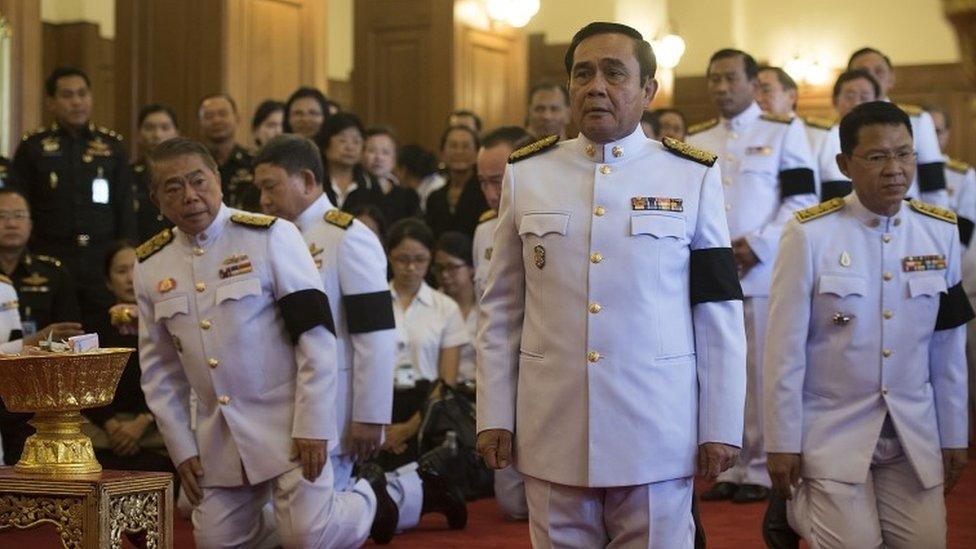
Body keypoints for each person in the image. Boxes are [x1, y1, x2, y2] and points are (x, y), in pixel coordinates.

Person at [477, 22, 747, 547]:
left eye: (614, 73)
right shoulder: (528, 173)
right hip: (553, 425)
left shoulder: (690, 175)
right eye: (583, 74)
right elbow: (501, 308)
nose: (596, 86)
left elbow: (718, 309)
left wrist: (720, 423)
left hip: (656, 428)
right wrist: (493, 414)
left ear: (648, 90)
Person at [136, 137, 392, 547]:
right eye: (173, 188)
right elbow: (160, 370)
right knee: (216, 543)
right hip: (220, 438)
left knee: (307, 539)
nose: (190, 196)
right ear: (156, 200)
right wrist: (182, 449)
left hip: (289, 424)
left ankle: (369, 496)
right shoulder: (150, 265)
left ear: (217, 180)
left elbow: (316, 337)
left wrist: (314, 425)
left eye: (198, 181)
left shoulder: (270, 236)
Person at [764, 101, 971, 549]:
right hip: (832, 434)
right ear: (845, 164)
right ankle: (799, 506)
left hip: (911, 438)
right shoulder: (809, 234)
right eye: (877, 157)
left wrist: (955, 435)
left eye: (905, 154)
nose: (895, 169)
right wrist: (782, 443)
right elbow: (783, 351)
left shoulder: (940, 232)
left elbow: (948, 349)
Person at [253, 134, 465, 540]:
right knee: (275, 528)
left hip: (337, 404)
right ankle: (415, 490)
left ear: (307, 180)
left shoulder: (346, 236)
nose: (262, 199)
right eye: (259, 188)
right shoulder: (272, 237)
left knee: (307, 535)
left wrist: (370, 414)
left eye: (270, 186)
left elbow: (376, 333)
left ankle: (389, 491)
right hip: (285, 401)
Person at [686, 48, 817, 505]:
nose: (720, 88)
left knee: (760, 370)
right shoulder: (698, 139)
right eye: (713, 80)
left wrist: (758, 243)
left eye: (729, 79)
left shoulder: (783, 130)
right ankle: (730, 464)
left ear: (751, 82)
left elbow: (803, 200)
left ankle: (760, 469)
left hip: (761, 271)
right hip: (712, 270)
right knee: (718, 368)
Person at [11, 66, 136, 322]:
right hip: (51, 256)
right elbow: (22, 204)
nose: (77, 102)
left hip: (100, 259)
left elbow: (124, 206)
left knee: (103, 333)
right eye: (67, 95)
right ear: (51, 103)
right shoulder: (33, 146)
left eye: (82, 94)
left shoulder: (111, 147)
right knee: (58, 334)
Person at [81, 241, 175, 475]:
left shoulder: (169, 323)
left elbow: (175, 377)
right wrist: (112, 427)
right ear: (107, 281)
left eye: (136, 269)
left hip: (156, 426)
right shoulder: (91, 328)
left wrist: (142, 422)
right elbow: (84, 382)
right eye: (122, 271)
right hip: (102, 430)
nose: (130, 278)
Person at [848, 47, 948, 206]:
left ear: (891, 79)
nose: (872, 77)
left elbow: (933, 185)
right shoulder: (837, 126)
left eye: (879, 71)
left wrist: (935, 228)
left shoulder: (918, 120)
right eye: (863, 72)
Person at [472, 126, 532, 298]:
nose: (490, 195)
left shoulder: (549, 229)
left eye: (498, 181)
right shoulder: (483, 231)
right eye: (483, 182)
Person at [816, 70, 882, 201]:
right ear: (835, 100)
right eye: (849, 97)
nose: (856, 103)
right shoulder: (820, 138)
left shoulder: (887, 140)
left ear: (876, 101)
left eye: (864, 97)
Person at [197, 93, 258, 211]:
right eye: (209, 116)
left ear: (237, 118)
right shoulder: (195, 165)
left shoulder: (254, 162)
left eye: (223, 114)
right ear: (200, 122)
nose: (216, 120)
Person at [425, 126, 488, 239]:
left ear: (477, 153)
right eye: (453, 146)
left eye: (465, 146)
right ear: (442, 153)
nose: (459, 151)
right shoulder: (435, 198)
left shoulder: (486, 193)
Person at [756, 66, 833, 156]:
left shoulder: (819, 135)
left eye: (766, 90)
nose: (757, 99)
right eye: (754, 91)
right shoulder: (747, 133)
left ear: (792, 96)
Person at [928, 105, 976, 247]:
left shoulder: (963, 176)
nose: (930, 137)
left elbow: (965, 231)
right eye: (924, 132)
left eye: (937, 131)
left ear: (947, 134)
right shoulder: (899, 172)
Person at [132, 104, 179, 242]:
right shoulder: (128, 175)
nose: (157, 134)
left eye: (165, 128)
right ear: (139, 135)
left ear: (177, 133)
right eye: (149, 128)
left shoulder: (187, 176)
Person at [320, 113, 384, 212]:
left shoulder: (370, 185)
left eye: (356, 141)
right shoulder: (315, 182)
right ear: (325, 145)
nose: (350, 147)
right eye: (343, 140)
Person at [364, 127, 421, 223]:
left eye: (385, 152)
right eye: (372, 151)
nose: (378, 157)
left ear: (394, 159)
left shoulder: (408, 197)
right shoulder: (354, 191)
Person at [395, 144, 444, 212]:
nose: (395, 174)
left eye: (396, 169)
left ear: (404, 170)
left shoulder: (435, 190)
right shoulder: (421, 190)